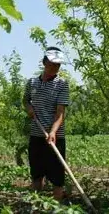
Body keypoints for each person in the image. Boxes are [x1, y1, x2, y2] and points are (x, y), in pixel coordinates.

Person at [23, 46, 69, 201]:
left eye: (58, 65)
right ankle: (36, 206)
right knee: (37, 174)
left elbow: (60, 113)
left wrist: (53, 131)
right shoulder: (32, 82)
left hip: (55, 137)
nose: (55, 68)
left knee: (57, 177)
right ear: (44, 62)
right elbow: (25, 100)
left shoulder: (62, 84)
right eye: (52, 64)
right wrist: (29, 108)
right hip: (36, 135)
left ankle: (57, 208)